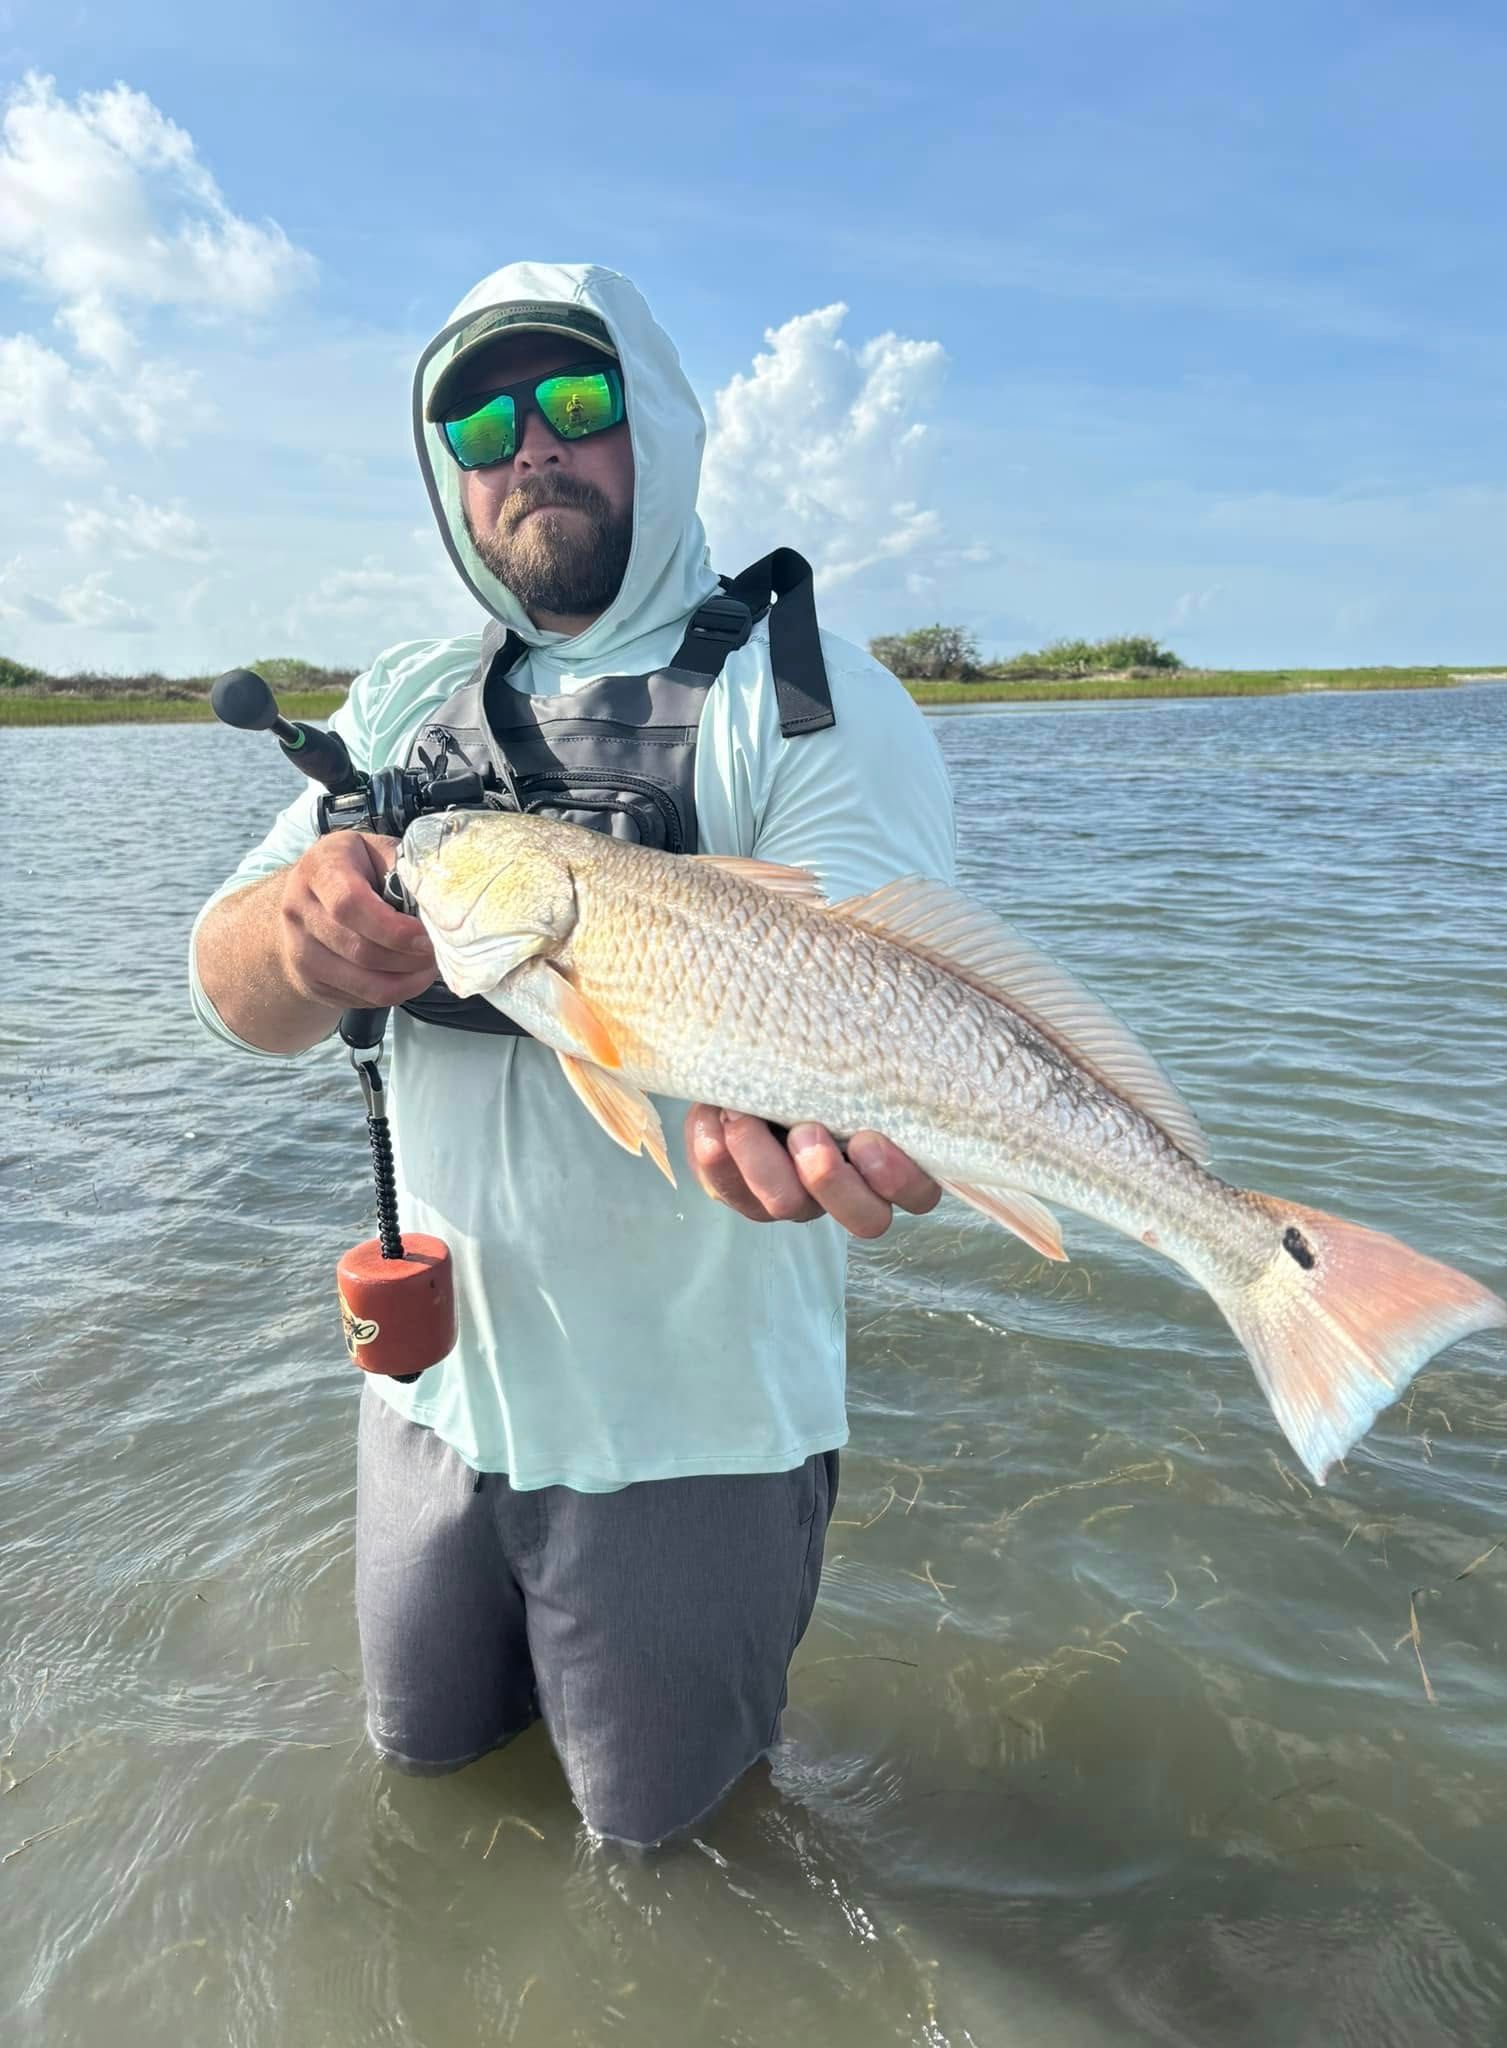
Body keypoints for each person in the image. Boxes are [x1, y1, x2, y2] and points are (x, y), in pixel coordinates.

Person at [190, 260, 956, 1848]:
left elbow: (895, 1009)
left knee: (672, 1860)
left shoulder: (802, 695)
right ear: (448, 473)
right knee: (427, 1782)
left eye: (576, 401)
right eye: (479, 419)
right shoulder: (402, 699)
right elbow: (230, 994)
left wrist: (824, 1117)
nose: (528, 444)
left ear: (654, 424)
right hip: (427, 1401)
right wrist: (294, 933)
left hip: (688, 1435)